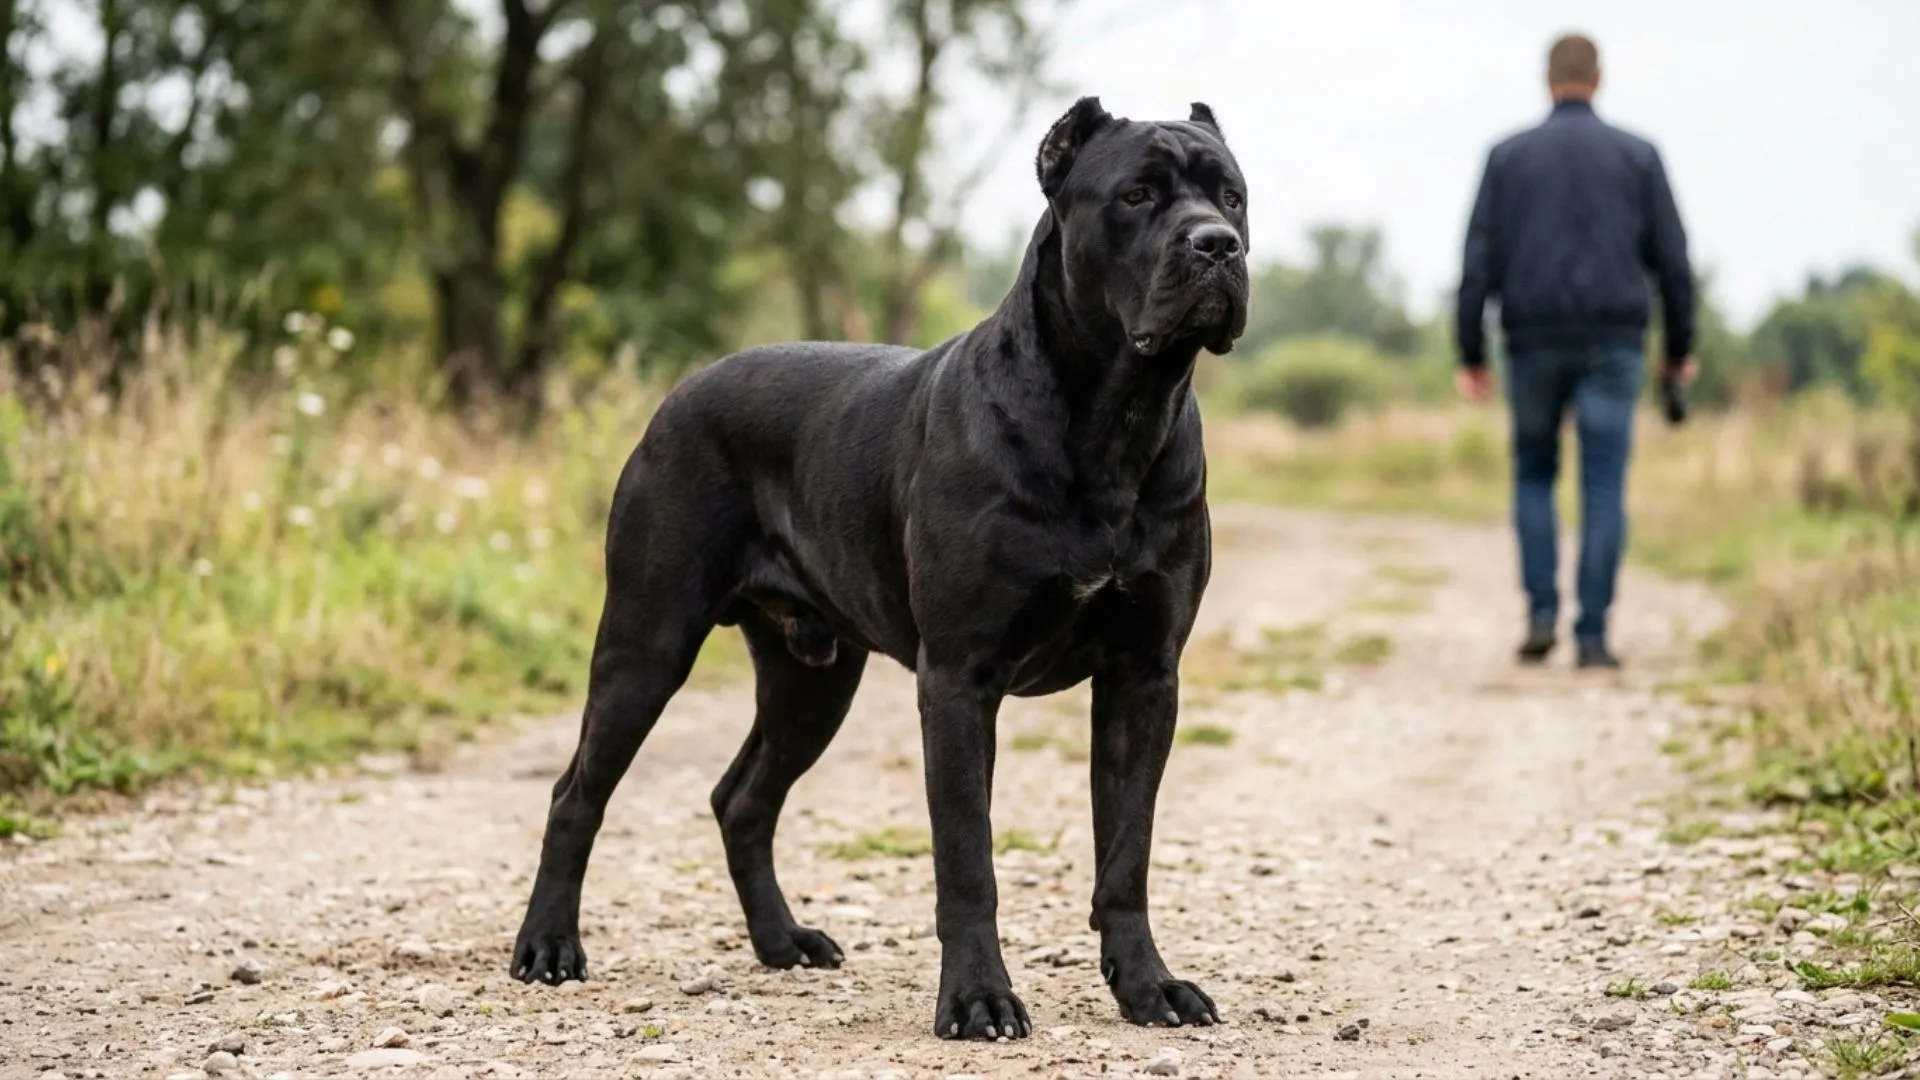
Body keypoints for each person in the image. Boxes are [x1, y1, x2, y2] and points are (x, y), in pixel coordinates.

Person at [1455, 32, 1699, 670]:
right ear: (1599, 77)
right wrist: (1679, 349)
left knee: (1534, 474)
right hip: (1614, 341)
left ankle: (1541, 613)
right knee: (1603, 484)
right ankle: (1592, 636)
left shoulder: (1507, 157)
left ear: (1547, 79)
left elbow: (1477, 261)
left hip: (1531, 340)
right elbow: (1674, 262)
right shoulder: (1638, 156)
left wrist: (1470, 351)